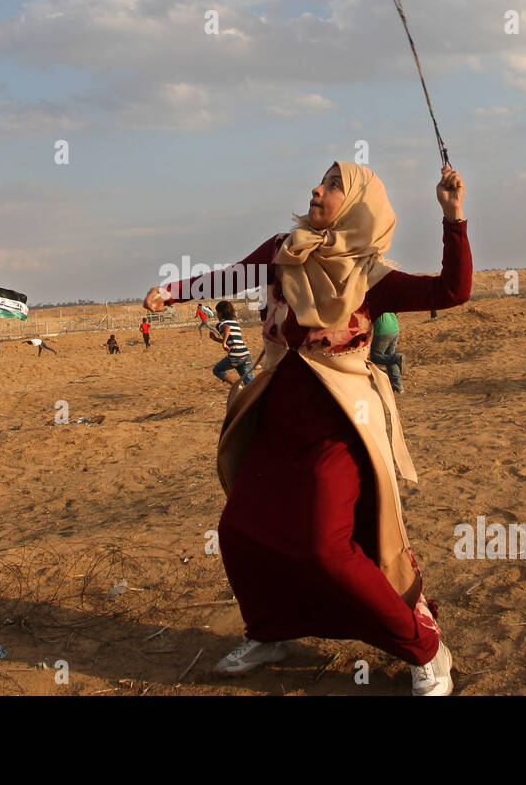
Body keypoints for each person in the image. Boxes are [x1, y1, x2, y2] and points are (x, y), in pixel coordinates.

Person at [143, 161, 471, 696]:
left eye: (334, 184)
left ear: (359, 204)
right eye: (321, 180)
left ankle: (424, 649)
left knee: (326, 547)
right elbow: (231, 277)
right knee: (240, 531)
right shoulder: (283, 250)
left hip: (340, 428)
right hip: (276, 418)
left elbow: (452, 292)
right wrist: (173, 291)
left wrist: (453, 217)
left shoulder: (373, 276)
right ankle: (271, 632)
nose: (318, 189)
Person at [210, 301, 254, 386]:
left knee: (217, 370)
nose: (217, 315)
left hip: (235, 356)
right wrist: (216, 339)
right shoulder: (235, 323)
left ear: (221, 313)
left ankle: (235, 386)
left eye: (217, 312)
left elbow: (227, 328)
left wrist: (224, 344)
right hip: (246, 355)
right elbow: (231, 340)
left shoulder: (221, 324)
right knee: (250, 384)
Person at [370, 311, 404, 393]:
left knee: (375, 357)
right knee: (389, 357)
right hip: (394, 328)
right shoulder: (385, 299)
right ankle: (398, 386)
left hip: (383, 331)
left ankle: (397, 358)